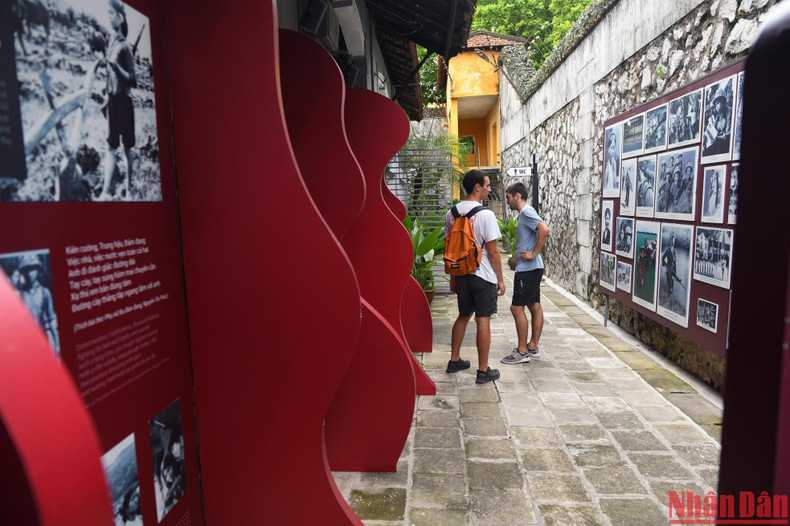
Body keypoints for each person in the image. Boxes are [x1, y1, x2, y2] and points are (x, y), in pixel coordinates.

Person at [445, 170, 506, 384]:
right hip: (483, 274)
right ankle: (482, 371)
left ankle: (454, 360)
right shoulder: (486, 215)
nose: (490, 189)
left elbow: (449, 247)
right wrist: (500, 278)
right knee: (483, 320)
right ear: (477, 187)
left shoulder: (451, 213)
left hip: (461, 273)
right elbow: (493, 252)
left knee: (463, 315)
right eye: (487, 185)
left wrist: (453, 276)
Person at [501, 183, 550, 365]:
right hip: (532, 268)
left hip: (528, 269)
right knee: (534, 306)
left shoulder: (527, 212)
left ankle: (522, 351)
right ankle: (533, 346)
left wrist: (533, 253)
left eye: (508, 197)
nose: (507, 202)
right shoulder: (526, 213)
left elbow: (544, 229)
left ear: (517, 196)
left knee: (516, 308)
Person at [99, 0, 137, 201]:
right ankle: (105, 192)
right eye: (108, 13)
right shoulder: (112, 43)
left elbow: (134, 80)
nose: (109, 16)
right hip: (113, 101)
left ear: (120, 17)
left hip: (124, 102)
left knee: (128, 148)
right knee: (110, 147)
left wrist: (117, 69)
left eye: (112, 13)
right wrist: (105, 95)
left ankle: (129, 191)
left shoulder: (125, 47)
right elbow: (108, 74)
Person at [11, 254, 60, 355]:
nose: (30, 274)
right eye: (27, 270)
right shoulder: (19, 294)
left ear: (37, 270)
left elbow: (51, 319)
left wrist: (57, 343)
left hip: (45, 335)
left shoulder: (44, 292)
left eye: (33, 269)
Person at [661, 232, 679, 297]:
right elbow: (662, 258)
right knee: (669, 286)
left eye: (674, 241)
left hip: (673, 270)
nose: (673, 242)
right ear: (670, 241)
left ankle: (670, 298)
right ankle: (668, 299)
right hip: (668, 270)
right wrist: (665, 266)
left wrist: (675, 272)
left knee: (672, 287)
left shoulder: (675, 251)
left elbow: (675, 262)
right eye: (672, 240)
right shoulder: (668, 250)